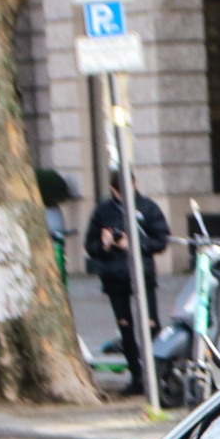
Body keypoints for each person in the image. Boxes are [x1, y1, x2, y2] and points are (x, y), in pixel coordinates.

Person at [83, 170, 171, 398]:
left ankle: (158, 374)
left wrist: (133, 244)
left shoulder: (147, 207)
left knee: (151, 325)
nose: (125, 196)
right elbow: (90, 245)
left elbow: (161, 240)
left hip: (143, 274)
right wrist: (104, 245)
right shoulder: (104, 210)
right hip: (115, 276)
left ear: (135, 184)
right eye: (120, 193)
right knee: (126, 328)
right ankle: (136, 377)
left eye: (128, 190)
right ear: (113, 190)